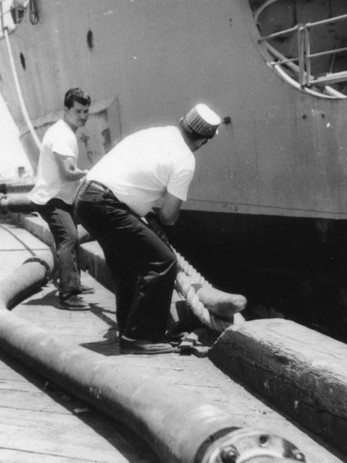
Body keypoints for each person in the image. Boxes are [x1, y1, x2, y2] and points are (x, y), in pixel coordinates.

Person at [75, 103, 222, 353]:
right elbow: (168, 216)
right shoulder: (185, 159)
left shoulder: (155, 133)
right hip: (108, 205)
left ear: (181, 121)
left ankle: (130, 332)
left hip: (87, 199)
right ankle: (141, 338)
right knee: (162, 262)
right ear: (202, 141)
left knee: (128, 271)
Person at [29, 87, 94, 311]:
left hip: (61, 197)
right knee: (69, 238)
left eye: (86, 111)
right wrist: (90, 174)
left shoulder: (66, 131)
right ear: (66, 110)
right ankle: (68, 295)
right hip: (51, 198)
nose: (83, 116)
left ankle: (73, 283)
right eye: (78, 111)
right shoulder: (62, 135)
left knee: (71, 239)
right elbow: (68, 172)